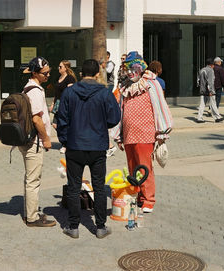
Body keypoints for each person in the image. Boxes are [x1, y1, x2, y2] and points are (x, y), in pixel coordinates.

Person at [57, 59, 120, 239]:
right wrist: (101, 125)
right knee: (99, 187)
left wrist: (64, 140)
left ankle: (73, 226)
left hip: (75, 145)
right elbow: (114, 117)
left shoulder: (69, 92)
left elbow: (62, 119)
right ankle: (100, 227)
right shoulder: (105, 93)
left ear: (82, 72)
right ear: (98, 74)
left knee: (74, 187)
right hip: (97, 146)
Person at [115, 51, 172, 213]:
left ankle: (149, 199)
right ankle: (138, 195)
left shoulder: (151, 84)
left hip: (145, 133)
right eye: (127, 69)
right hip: (129, 134)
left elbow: (160, 108)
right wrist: (118, 135)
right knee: (132, 167)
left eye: (133, 68)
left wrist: (162, 133)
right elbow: (120, 111)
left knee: (144, 167)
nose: (130, 72)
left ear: (141, 67)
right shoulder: (125, 86)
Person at [19, 57, 56, 227]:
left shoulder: (32, 87)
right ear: (35, 73)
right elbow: (36, 119)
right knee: (33, 180)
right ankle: (32, 218)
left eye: (49, 71)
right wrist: (46, 139)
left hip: (31, 140)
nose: (48, 75)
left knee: (31, 178)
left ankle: (31, 212)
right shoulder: (34, 90)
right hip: (34, 141)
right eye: (45, 73)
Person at [49, 60, 77, 153]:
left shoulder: (70, 78)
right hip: (57, 103)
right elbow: (56, 92)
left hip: (65, 104)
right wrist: (53, 104)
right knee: (55, 124)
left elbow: (71, 92)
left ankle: (65, 144)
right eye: (59, 66)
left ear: (66, 68)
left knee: (64, 124)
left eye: (60, 67)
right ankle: (64, 141)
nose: (59, 68)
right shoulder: (58, 77)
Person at [196, 58, 224, 123]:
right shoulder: (210, 70)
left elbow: (198, 81)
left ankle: (199, 118)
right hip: (209, 91)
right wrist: (211, 91)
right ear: (212, 65)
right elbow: (210, 82)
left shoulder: (202, 70)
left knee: (202, 105)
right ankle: (217, 117)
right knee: (213, 104)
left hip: (202, 90)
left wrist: (201, 88)